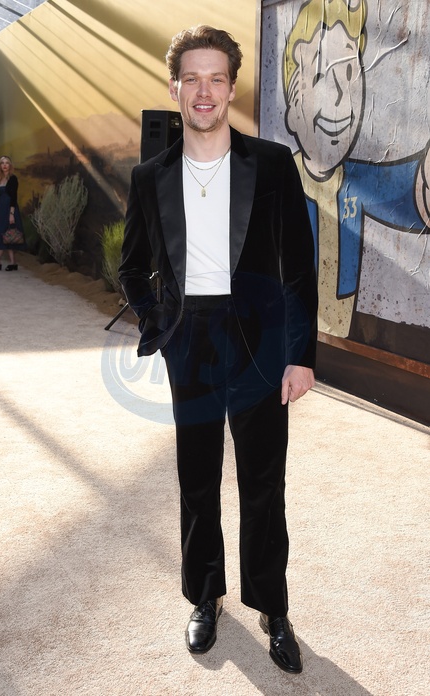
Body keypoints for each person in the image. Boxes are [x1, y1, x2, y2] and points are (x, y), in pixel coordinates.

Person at [119, 25, 318, 674]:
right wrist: (160, 325)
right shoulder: (149, 177)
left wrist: (301, 354)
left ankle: (272, 606)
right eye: (192, 79)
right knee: (197, 477)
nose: (203, 91)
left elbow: (299, 268)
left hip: (260, 341)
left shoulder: (273, 165)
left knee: (264, 481)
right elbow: (132, 267)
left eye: (216, 78)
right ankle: (205, 595)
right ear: (174, 87)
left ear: (232, 88)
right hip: (191, 343)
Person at [0, 155, 24, 271]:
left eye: (7, 163)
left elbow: (13, 197)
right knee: (7, 235)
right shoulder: (0, 179)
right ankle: (13, 263)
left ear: (10, 165)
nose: (5, 165)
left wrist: (11, 214)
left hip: (9, 209)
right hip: (1, 209)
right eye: (2, 163)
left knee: (4, 233)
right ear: (0, 166)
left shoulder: (13, 178)